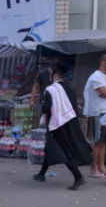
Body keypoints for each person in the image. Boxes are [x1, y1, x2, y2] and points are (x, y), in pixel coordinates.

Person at [33, 60, 91, 189]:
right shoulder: (70, 87)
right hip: (70, 121)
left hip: (56, 124)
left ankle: (78, 177)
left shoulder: (51, 89)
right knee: (51, 147)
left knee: (62, 149)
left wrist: (42, 110)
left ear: (53, 73)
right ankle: (41, 174)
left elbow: (47, 107)